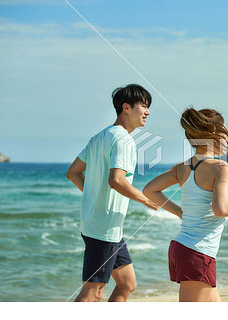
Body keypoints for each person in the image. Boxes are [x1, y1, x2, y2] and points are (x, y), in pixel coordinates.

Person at [66, 84, 159, 302]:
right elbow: (116, 180)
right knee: (92, 293)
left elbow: (73, 173)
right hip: (104, 229)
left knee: (127, 284)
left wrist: (94, 194)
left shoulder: (100, 136)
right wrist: (145, 199)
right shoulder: (123, 139)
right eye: (143, 106)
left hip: (100, 226)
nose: (148, 112)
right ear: (126, 107)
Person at [143, 107, 228, 302]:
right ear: (215, 133)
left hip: (183, 248)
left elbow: (149, 190)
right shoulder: (221, 167)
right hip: (197, 252)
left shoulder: (182, 168)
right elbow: (221, 209)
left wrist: (181, 212)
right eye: (224, 131)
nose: (226, 138)